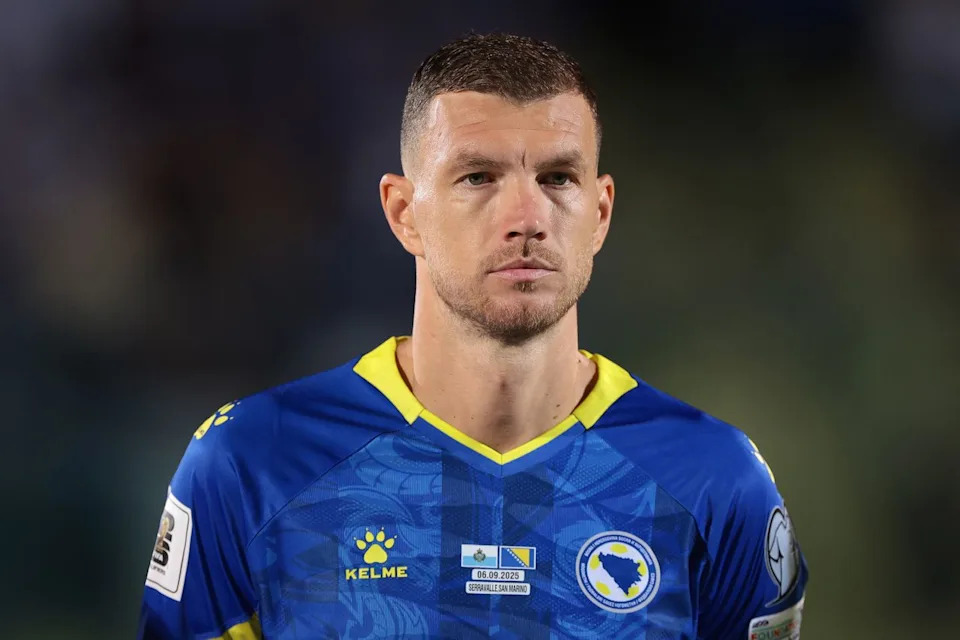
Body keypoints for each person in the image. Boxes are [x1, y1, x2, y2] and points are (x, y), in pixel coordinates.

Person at [138, 33, 807, 639]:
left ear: (600, 214)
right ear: (404, 214)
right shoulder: (253, 465)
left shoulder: (715, 481)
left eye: (557, 178)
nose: (526, 217)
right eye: (478, 177)